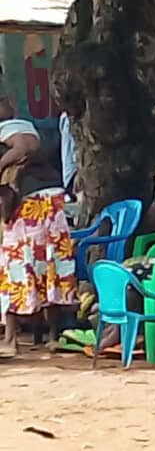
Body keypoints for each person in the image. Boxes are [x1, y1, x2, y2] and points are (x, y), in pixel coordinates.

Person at [0, 96, 73, 358]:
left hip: (33, 207)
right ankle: (53, 336)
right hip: (49, 203)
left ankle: (10, 340)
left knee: (14, 267)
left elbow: (23, 147)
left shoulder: (11, 126)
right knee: (49, 266)